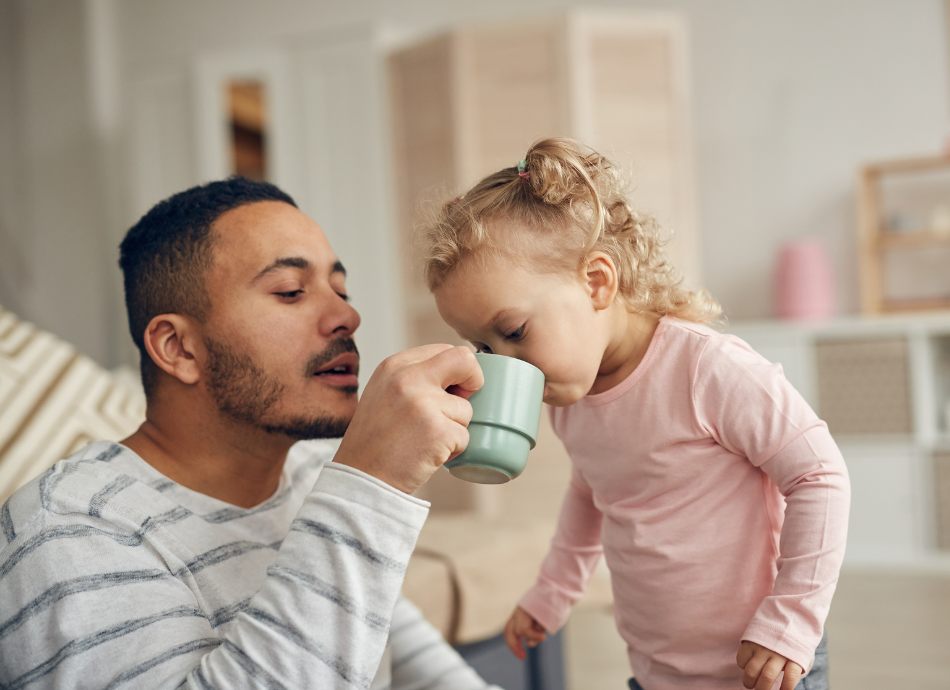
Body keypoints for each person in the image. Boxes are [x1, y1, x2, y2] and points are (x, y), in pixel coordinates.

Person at [0, 178, 501, 689]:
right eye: (290, 292)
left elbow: (411, 665)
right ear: (178, 348)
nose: (347, 316)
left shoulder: (309, 474)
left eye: (341, 290)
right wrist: (372, 484)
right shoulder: (71, 533)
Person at [421, 138, 849, 690]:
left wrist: (791, 619)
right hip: (658, 671)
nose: (503, 366)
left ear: (596, 282)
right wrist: (554, 591)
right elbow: (591, 492)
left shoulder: (707, 369)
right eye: (483, 348)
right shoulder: (569, 403)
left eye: (514, 332)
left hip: (762, 667)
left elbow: (819, 475)